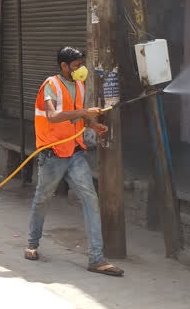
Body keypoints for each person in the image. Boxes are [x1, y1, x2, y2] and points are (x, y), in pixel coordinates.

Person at [25, 46, 124, 277]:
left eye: (81, 64)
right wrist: (84, 113)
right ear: (64, 66)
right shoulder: (51, 85)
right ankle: (32, 243)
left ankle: (96, 259)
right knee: (42, 199)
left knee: (90, 199)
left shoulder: (79, 85)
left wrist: (91, 124)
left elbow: (74, 115)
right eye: (77, 65)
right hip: (52, 154)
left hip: (74, 151)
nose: (81, 69)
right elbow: (53, 116)